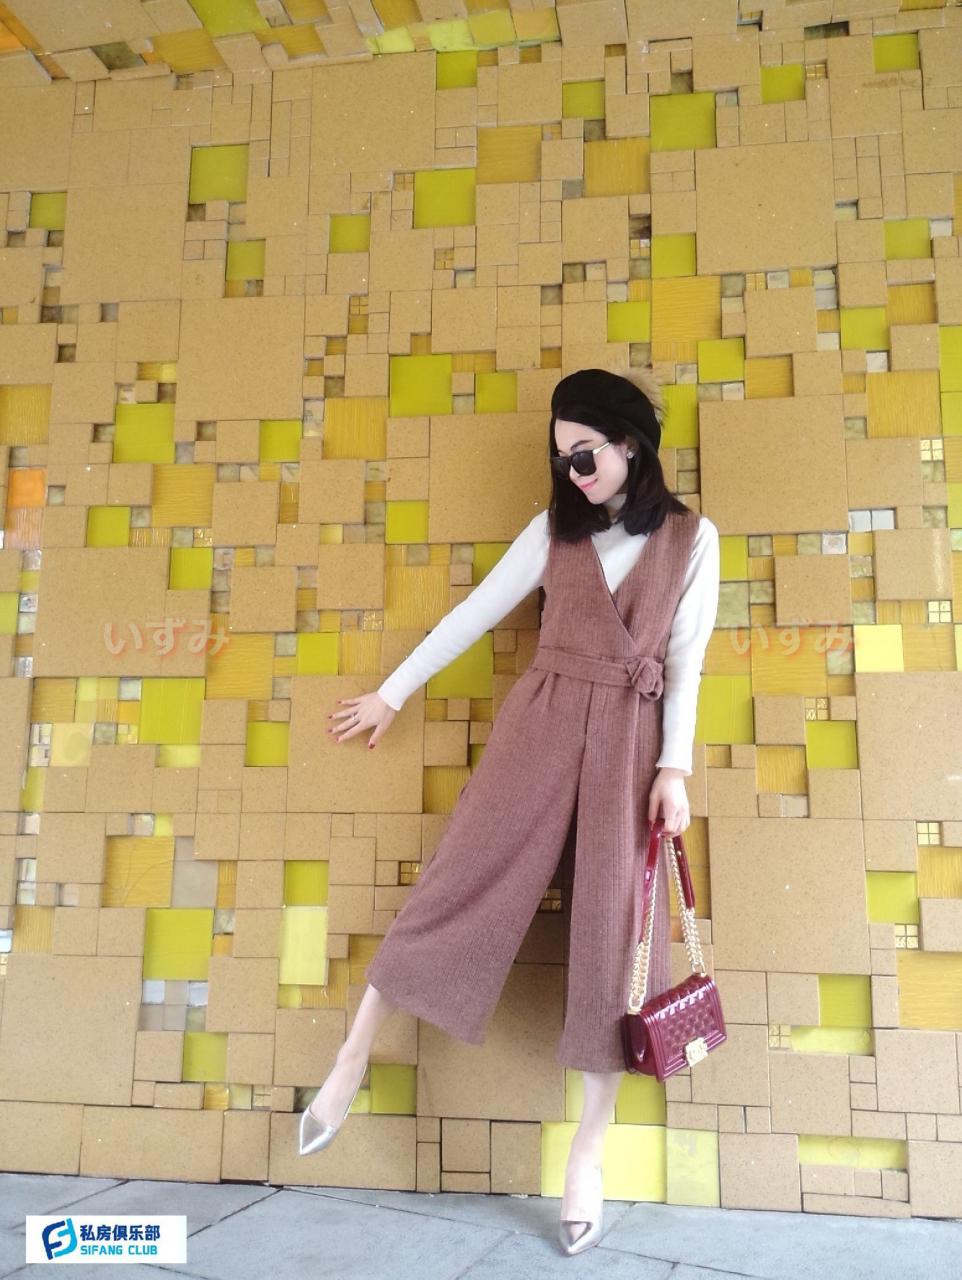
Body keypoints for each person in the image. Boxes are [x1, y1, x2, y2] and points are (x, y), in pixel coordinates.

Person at [298, 367, 720, 1256]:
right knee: (463, 878)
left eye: (585, 455)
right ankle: (351, 1056)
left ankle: (588, 1152)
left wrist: (674, 769)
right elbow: (475, 615)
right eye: (561, 459)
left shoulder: (692, 539)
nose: (572, 473)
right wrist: (392, 692)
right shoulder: (552, 533)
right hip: (543, 719)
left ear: (631, 444)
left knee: (616, 932)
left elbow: (688, 661)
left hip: (631, 742)